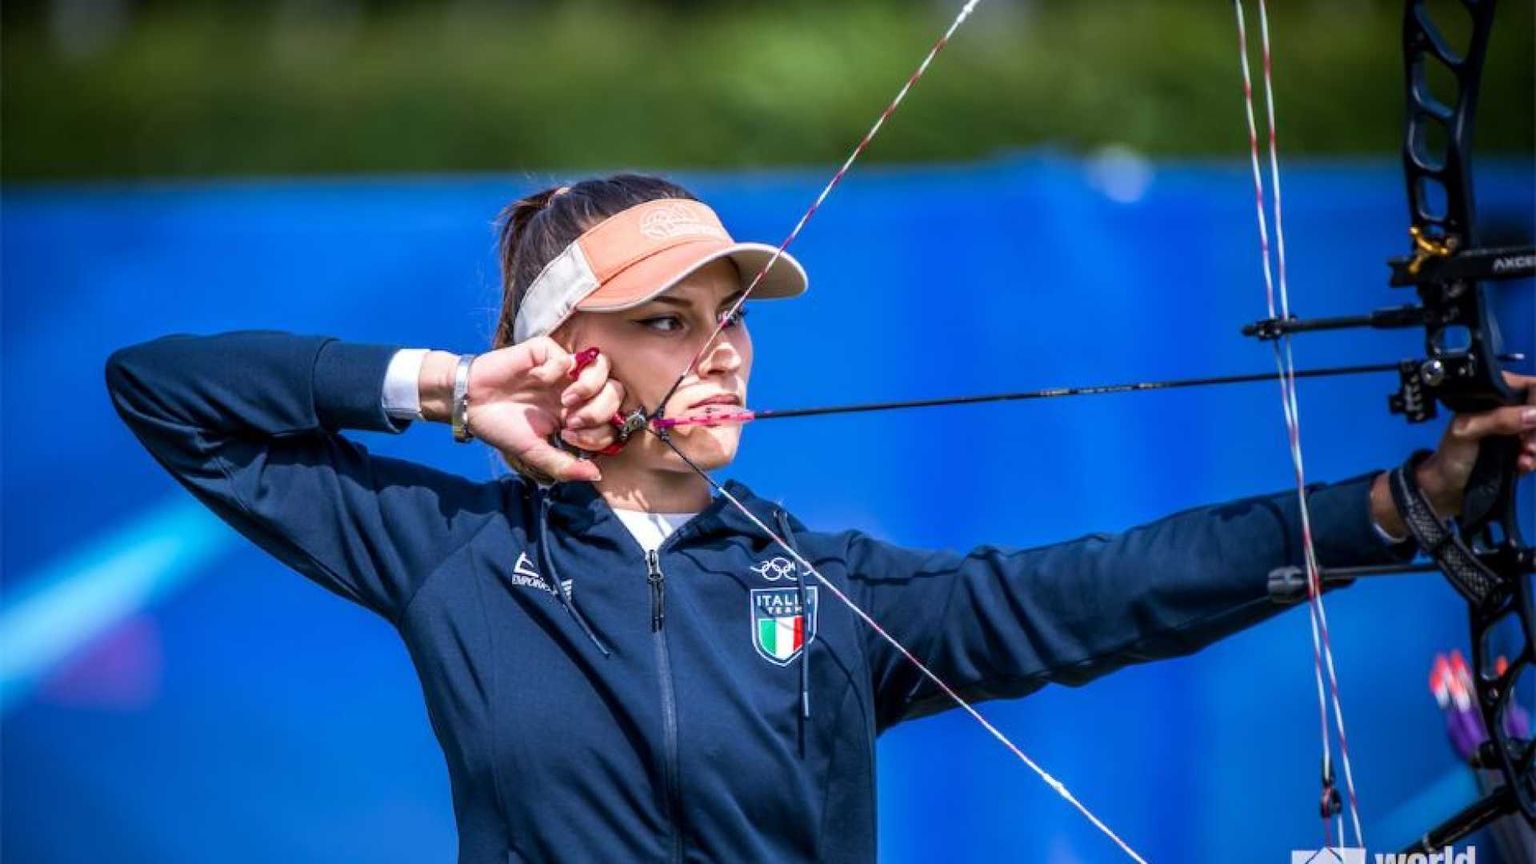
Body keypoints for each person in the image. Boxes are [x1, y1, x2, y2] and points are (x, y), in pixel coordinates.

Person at [105, 173, 1536, 863]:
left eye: (729, 319)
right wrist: (445, 387)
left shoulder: (817, 587)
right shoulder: (454, 552)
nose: (721, 351)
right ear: (565, 353)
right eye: (668, 321)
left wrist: (1393, 507)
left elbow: (1094, 590)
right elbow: (164, 391)